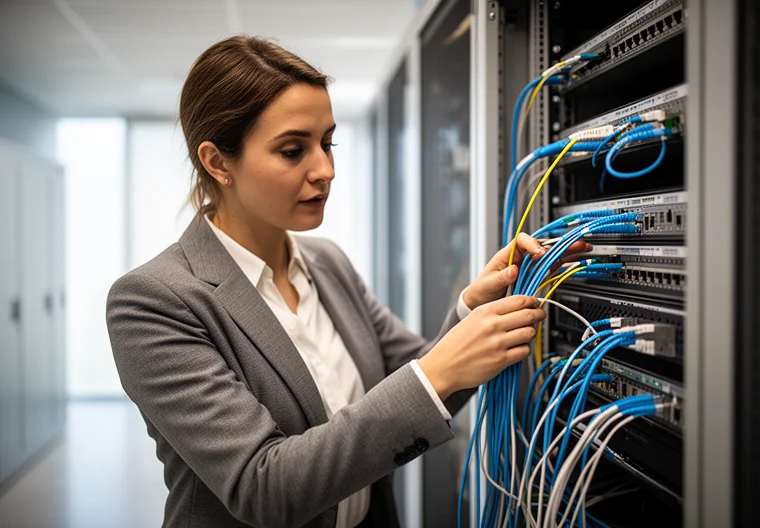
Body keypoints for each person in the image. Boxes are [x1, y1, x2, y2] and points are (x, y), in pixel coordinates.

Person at [105, 36, 590, 528]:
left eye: (327, 142)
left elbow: (424, 379)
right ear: (217, 162)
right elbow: (262, 487)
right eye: (293, 150)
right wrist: (440, 370)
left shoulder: (327, 263)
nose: (326, 169)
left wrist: (474, 308)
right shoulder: (153, 301)